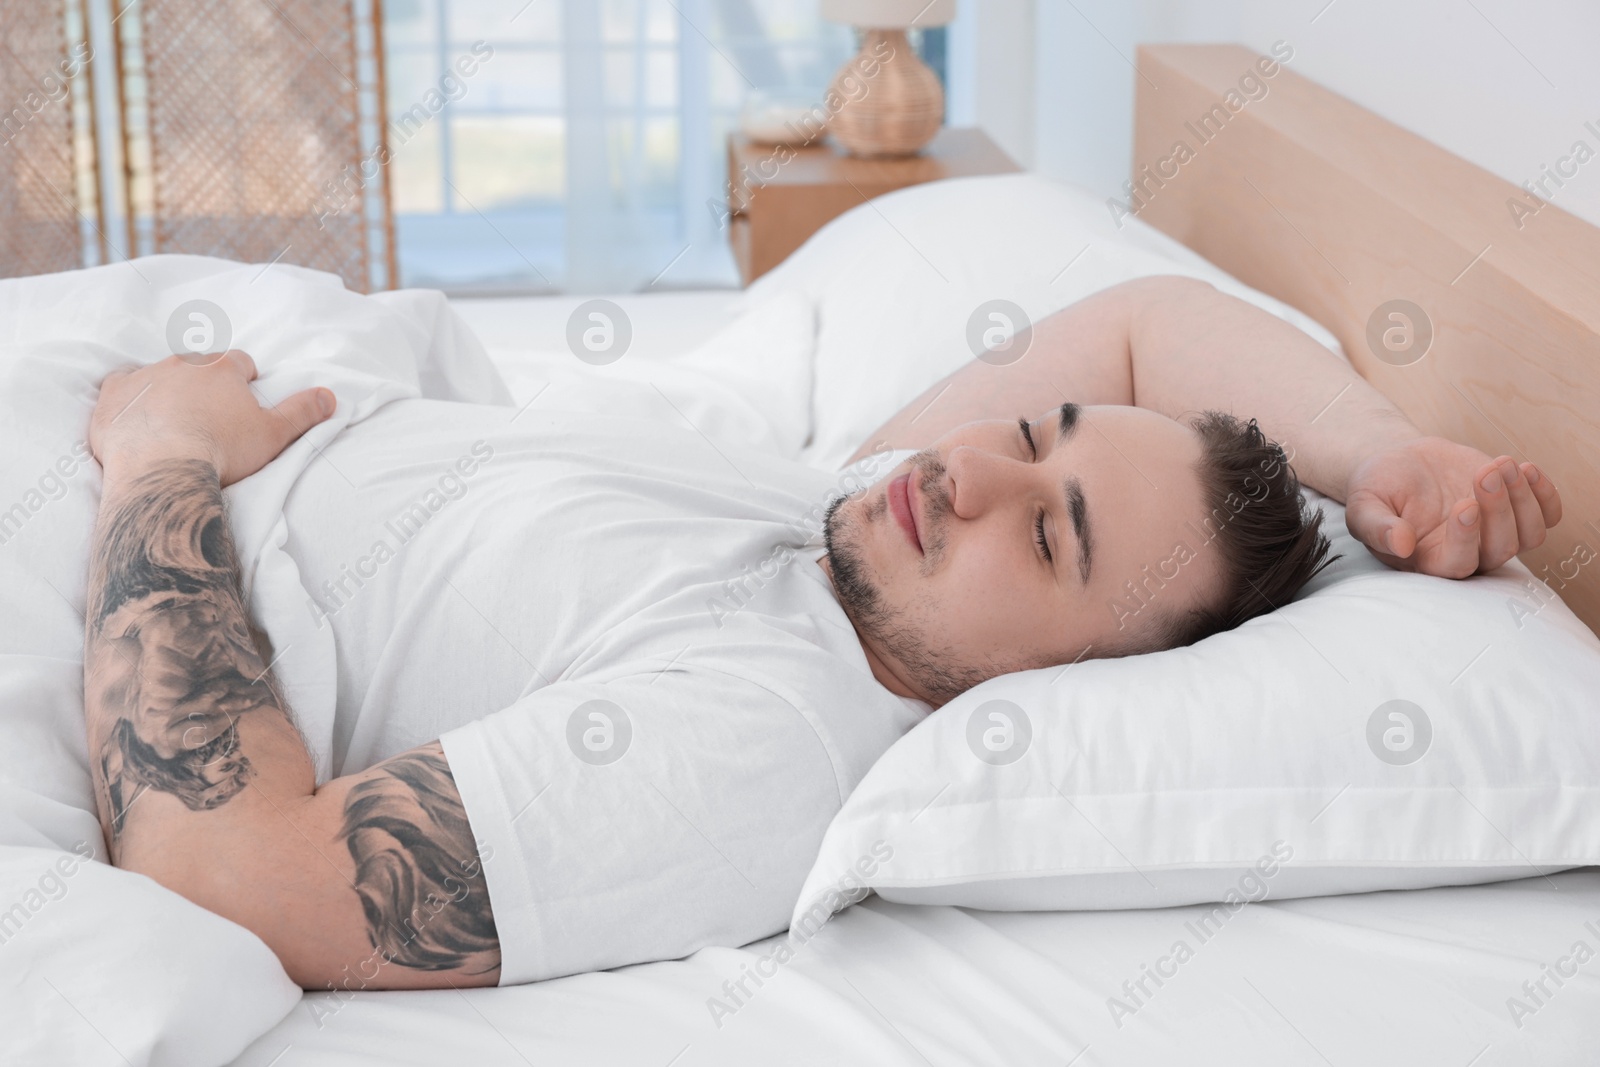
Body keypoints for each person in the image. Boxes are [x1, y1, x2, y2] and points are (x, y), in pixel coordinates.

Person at [80, 275, 1561, 992]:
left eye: (1050, 536)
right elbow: (1148, 321)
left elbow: (231, 873)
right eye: (1033, 437)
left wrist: (159, 458)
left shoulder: (767, 739)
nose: (967, 475)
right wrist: (1379, 452)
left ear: (1067, 687)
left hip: (124, 526)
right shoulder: (857, 526)